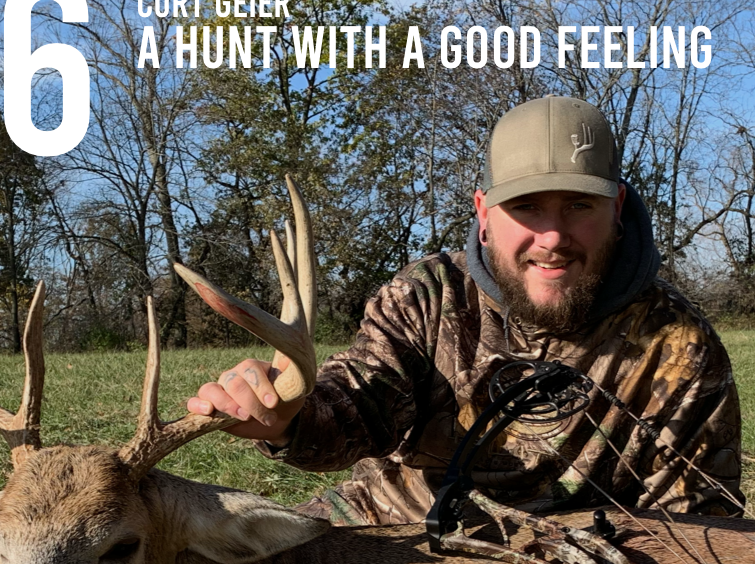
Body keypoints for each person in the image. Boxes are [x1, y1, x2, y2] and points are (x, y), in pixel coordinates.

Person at [186, 96, 744, 526]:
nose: (553, 237)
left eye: (579, 205)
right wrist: (289, 417)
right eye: (526, 206)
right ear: (483, 213)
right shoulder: (429, 295)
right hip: (391, 530)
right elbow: (360, 404)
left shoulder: (679, 348)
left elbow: (700, 525)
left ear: (617, 207)